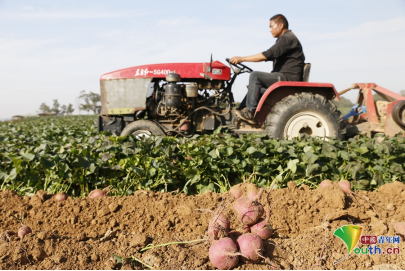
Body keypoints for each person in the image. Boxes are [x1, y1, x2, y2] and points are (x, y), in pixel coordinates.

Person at [230, 14, 305, 124]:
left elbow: (268, 54)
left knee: (255, 76)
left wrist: (242, 58)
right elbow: (270, 55)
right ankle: (241, 112)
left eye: (271, 26)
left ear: (280, 25)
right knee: (253, 86)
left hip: (288, 78)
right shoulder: (285, 39)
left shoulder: (287, 38)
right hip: (284, 76)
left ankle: (250, 113)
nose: (270, 30)